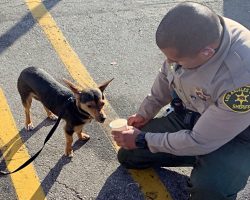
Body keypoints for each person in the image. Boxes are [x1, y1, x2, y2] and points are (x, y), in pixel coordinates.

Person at [111, 2, 250, 200]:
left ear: (207, 53)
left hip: (236, 136)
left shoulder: (241, 79)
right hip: (193, 113)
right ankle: (200, 158)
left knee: (210, 191)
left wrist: (143, 139)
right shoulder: (197, 35)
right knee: (129, 154)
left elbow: (200, 140)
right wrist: (145, 111)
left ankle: (216, 167)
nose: (170, 63)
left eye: (176, 61)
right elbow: (166, 75)